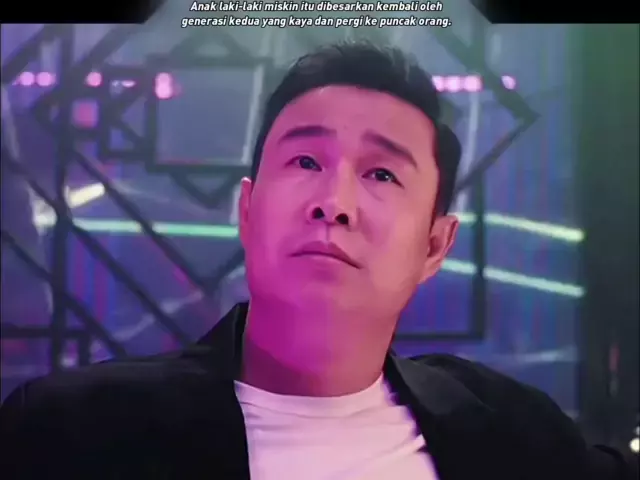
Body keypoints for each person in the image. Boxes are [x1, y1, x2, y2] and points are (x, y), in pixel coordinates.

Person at [0, 42, 636, 480]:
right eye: (306, 161)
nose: (334, 203)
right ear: (248, 210)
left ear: (434, 246)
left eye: (382, 174)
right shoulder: (69, 434)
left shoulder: (513, 434)